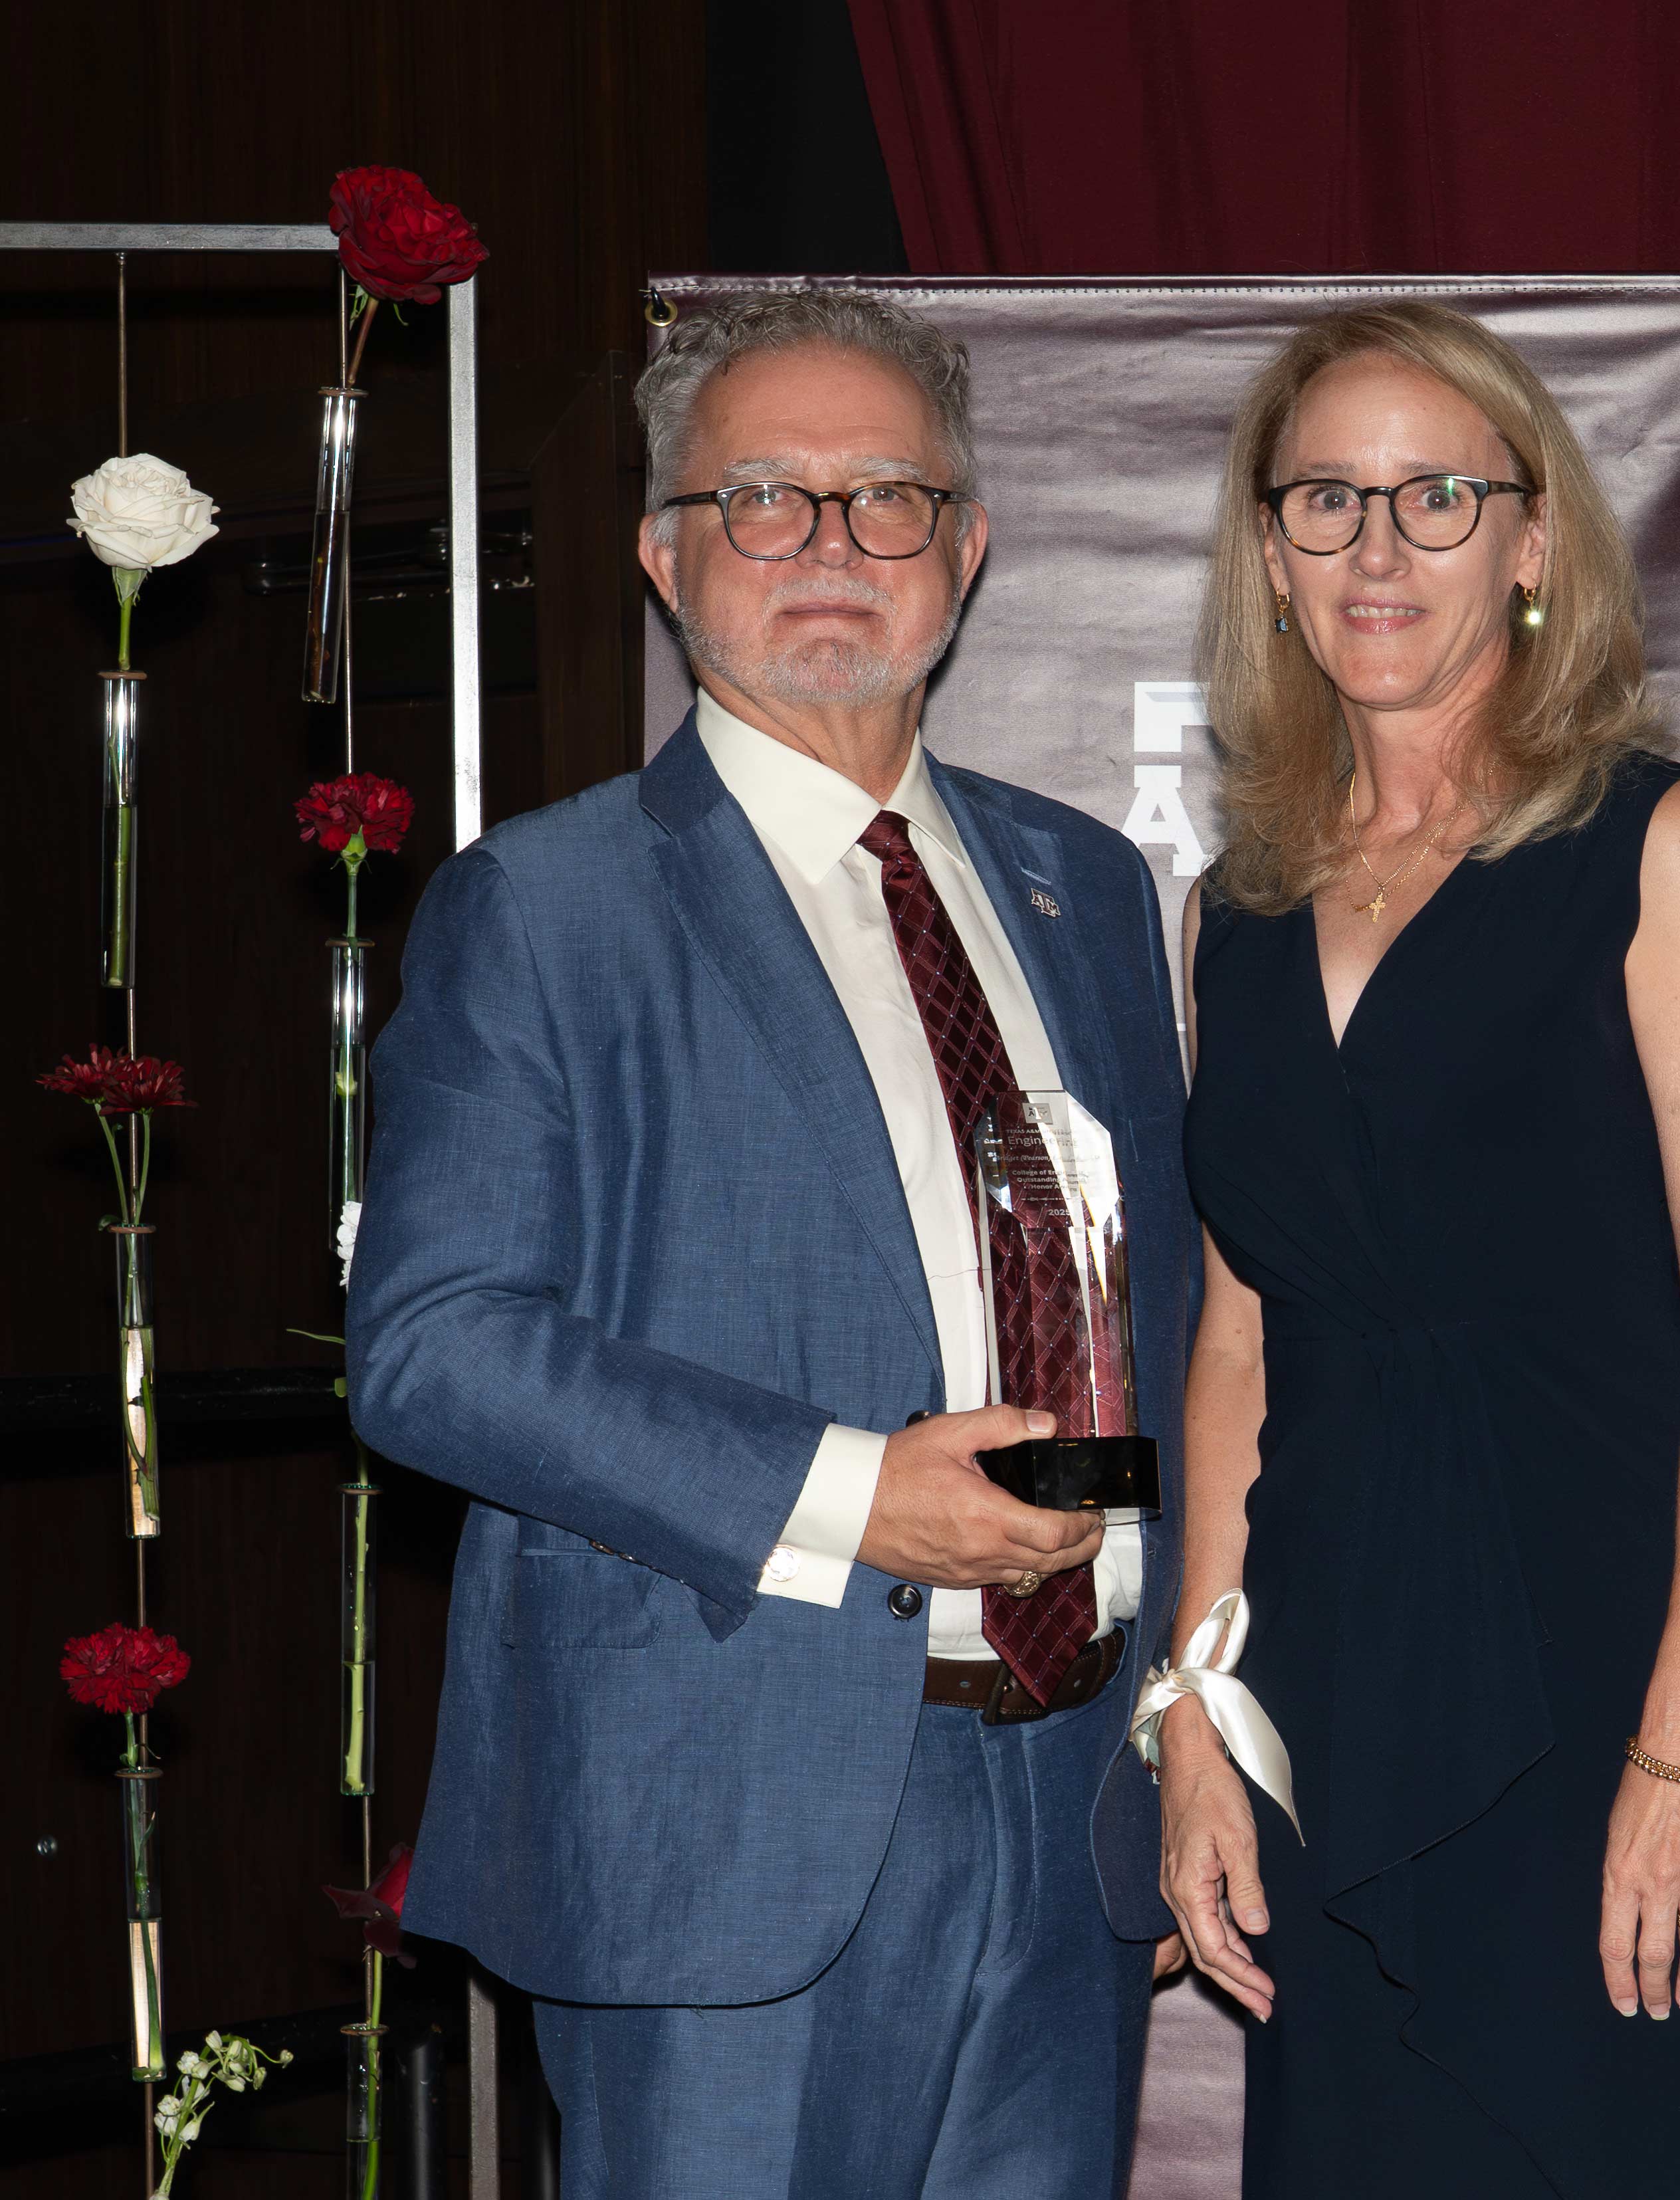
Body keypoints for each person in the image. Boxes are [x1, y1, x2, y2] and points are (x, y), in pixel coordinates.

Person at [346, 290, 1195, 2200]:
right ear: (667, 556)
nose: (831, 546)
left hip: (1071, 1804)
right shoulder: (541, 909)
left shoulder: (1089, 889)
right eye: (764, 499)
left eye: (888, 499)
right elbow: (435, 1347)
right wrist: (848, 1498)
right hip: (721, 1811)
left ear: (965, 554)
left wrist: (1194, 1699)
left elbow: (1182, 1310)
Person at [1152, 302, 1680, 2196]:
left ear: (1535, 543)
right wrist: (1198, 1720)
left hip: (1614, 1661)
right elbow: (1235, 1353)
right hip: (1339, 1675)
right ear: (1269, 554)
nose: (1379, 549)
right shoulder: (1241, 911)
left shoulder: (1659, 848)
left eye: (1438, 497)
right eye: (1329, 500)